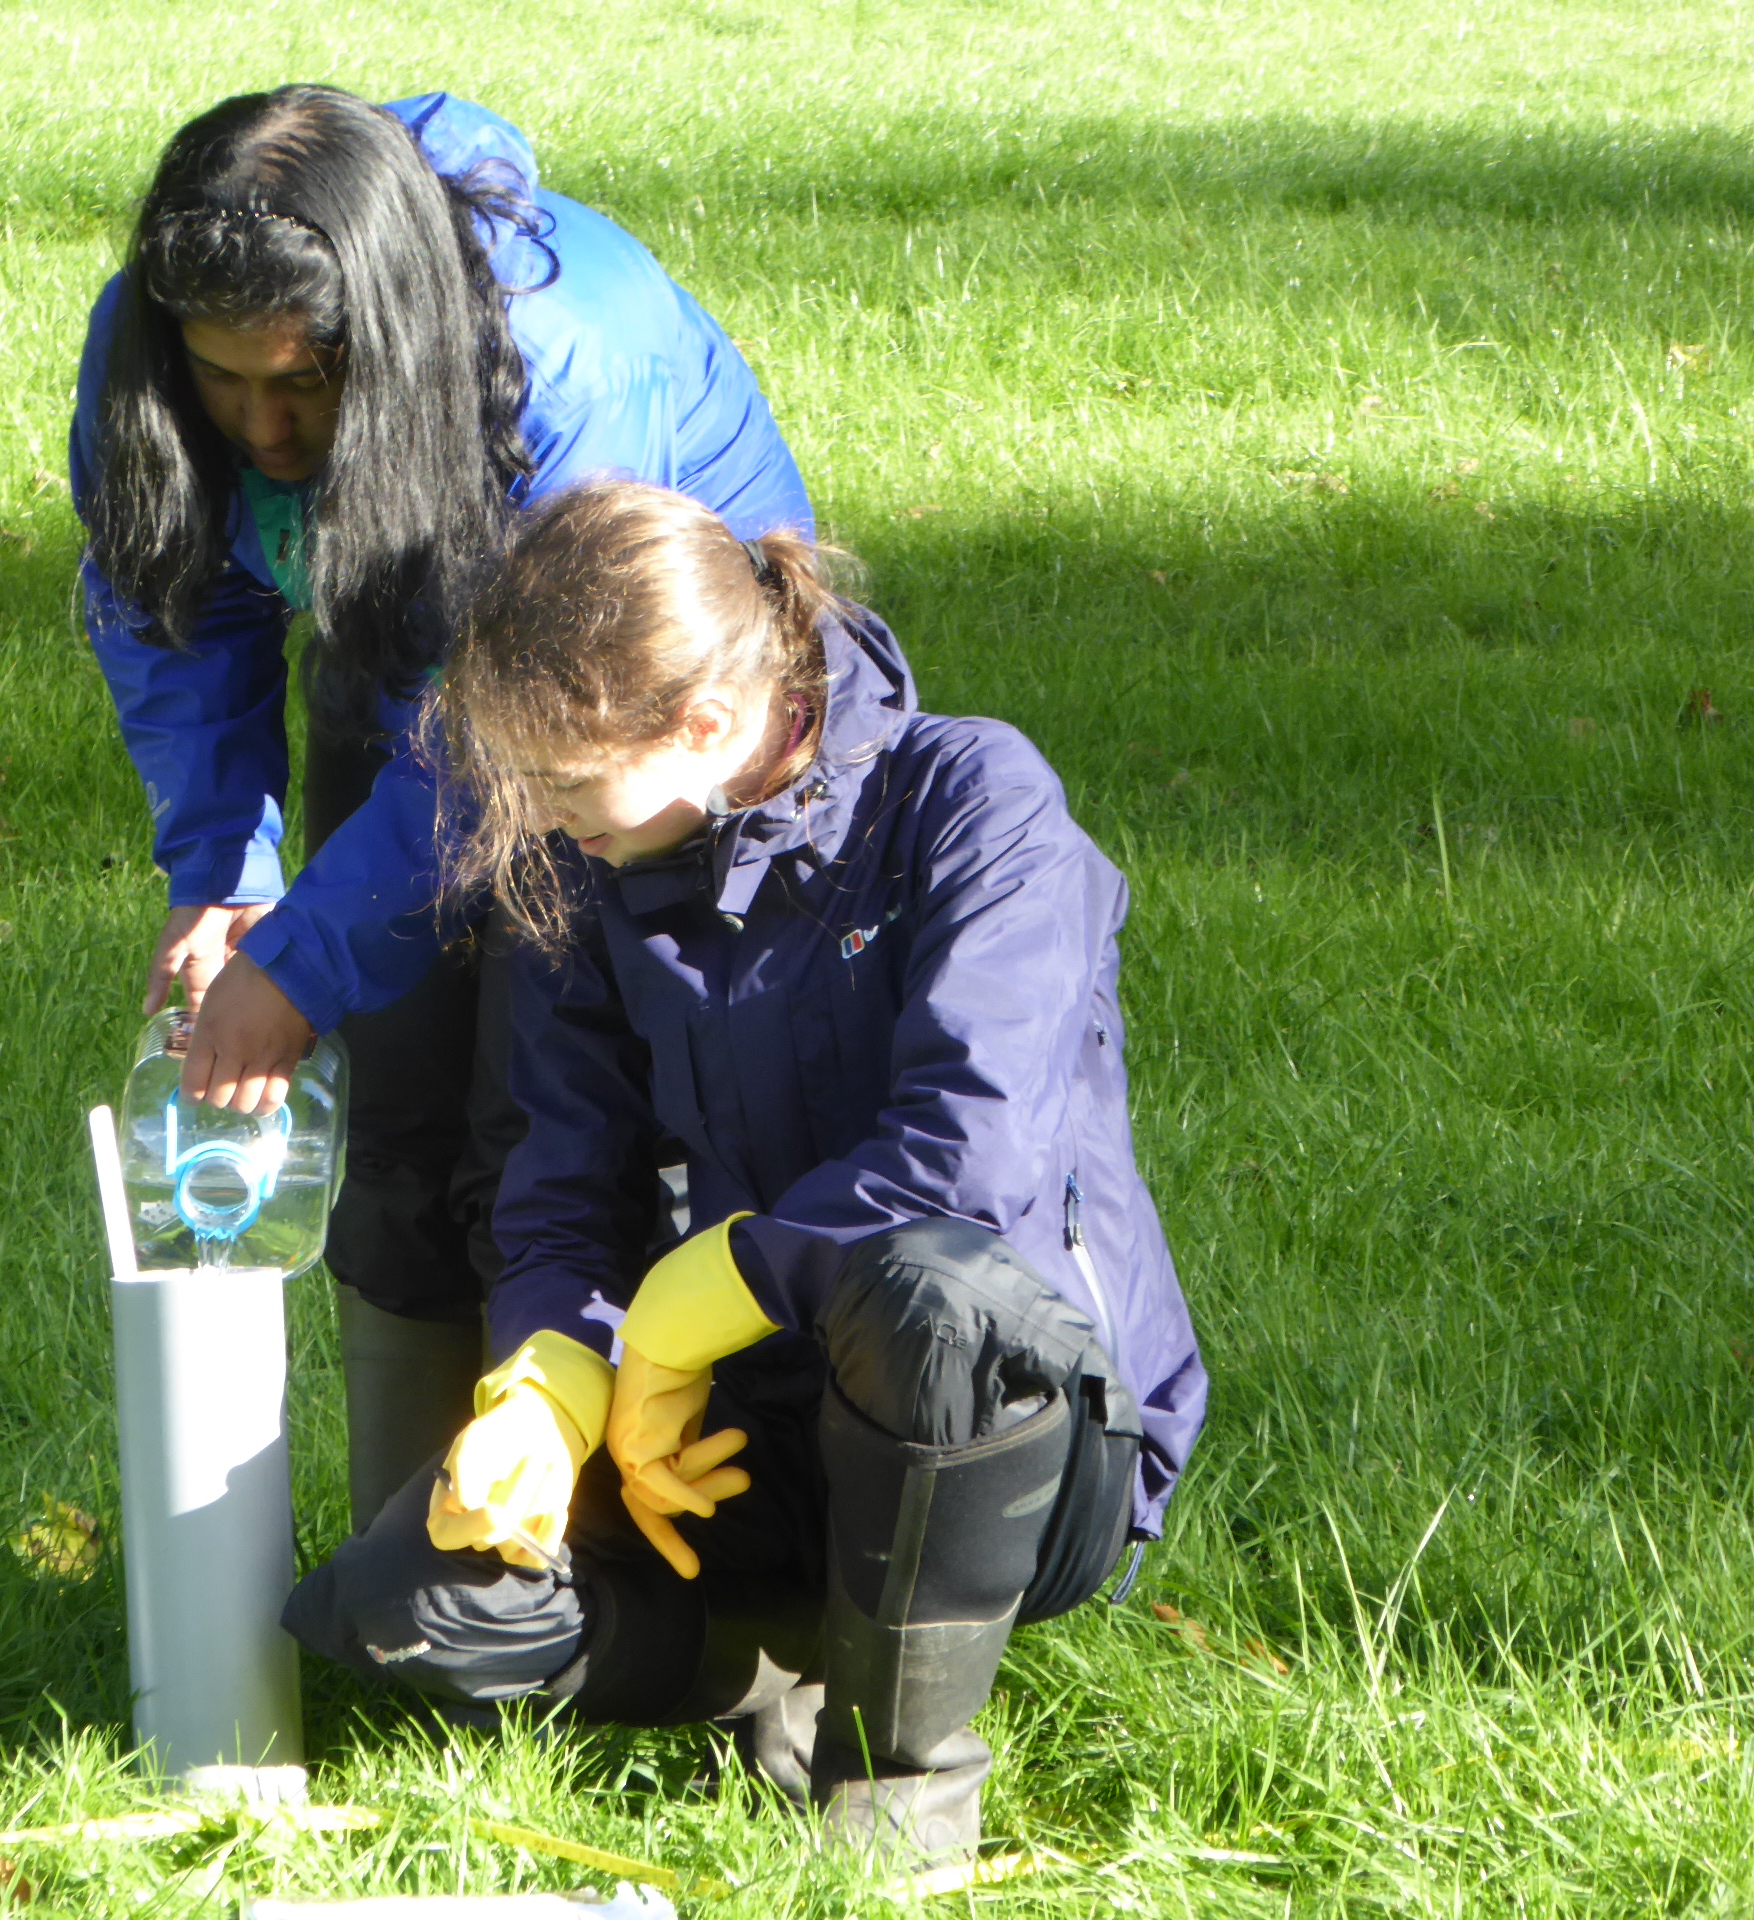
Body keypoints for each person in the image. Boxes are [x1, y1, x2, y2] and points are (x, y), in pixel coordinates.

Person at [282, 482, 1207, 1862]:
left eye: (566, 783)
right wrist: (551, 1383)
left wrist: (695, 1300)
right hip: (747, 1431)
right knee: (408, 1599)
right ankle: (775, 1669)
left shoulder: (975, 797)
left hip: (1011, 1425)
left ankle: (895, 1803)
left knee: (929, 1294)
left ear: (708, 723)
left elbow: (965, 1165)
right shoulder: (585, 869)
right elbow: (557, 1181)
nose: (543, 817)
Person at [69, 87, 811, 1531]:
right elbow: (178, 604)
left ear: (390, 332)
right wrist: (227, 874)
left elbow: (515, 733)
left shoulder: (564, 360)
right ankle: (416, 1549)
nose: (264, 425)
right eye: (225, 381)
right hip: (407, 636)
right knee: (392, 1113)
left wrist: (300, 965)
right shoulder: (151, 340)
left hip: (632, 712)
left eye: (304, 382)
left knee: (557, 1112)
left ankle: (618, 1554)